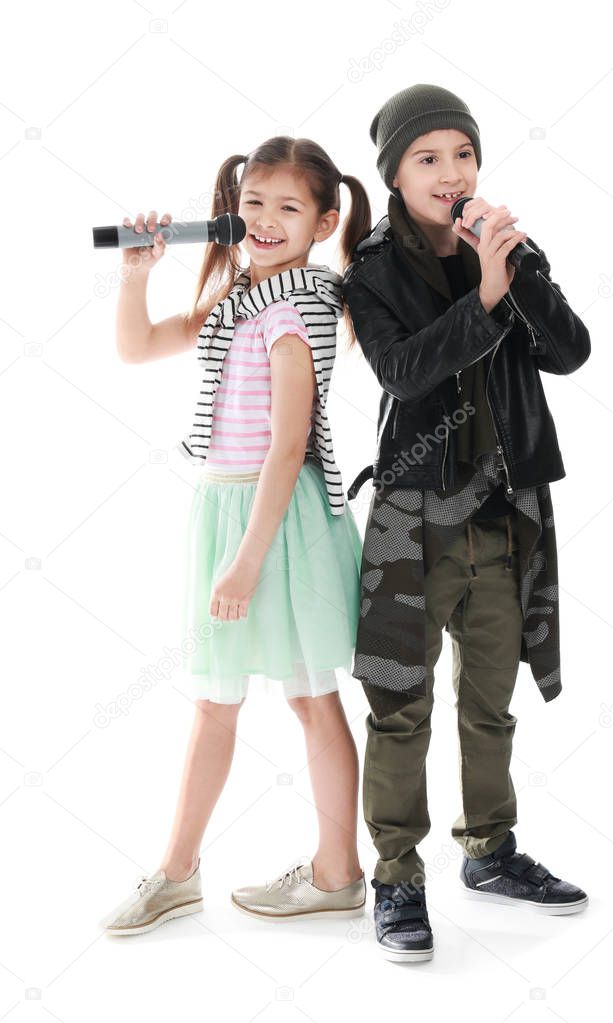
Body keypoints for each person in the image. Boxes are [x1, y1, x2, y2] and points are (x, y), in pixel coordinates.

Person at [341, 84, 592, 963]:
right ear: (396, 175)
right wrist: (483, 298)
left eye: (463, 154)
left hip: (502, 515)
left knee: (491, 699)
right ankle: (397, 878)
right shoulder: (370, 269)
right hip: (414, 522)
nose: (451, 173)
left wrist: (512, 272)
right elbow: (405, 374)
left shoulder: (506, 246)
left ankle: (489, 850)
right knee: (398, 708)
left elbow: (570, 351)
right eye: (428, 158)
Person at [99, 136, 372, 935]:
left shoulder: (296, 305)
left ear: (323, 223)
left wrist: (247, 560)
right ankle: (176, 872)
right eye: (253, 203)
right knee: (216, 698)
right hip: (228, 507)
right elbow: (137, 345)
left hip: (275, 523)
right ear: (231, 210)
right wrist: (136, 273)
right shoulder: (238, 298)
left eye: (288, 207)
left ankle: (337, 872)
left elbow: (288, 446)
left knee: (310, 695)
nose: (264, 219)